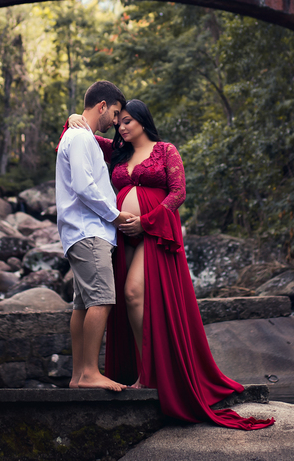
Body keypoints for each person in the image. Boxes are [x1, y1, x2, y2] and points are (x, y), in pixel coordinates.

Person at [66, 100, 273, 430]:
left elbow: (178, 192)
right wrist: (74, 116)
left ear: (144, 121)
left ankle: (150, 373)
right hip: (123, 236)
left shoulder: (165, 151)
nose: (121, 127)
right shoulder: (116, 152)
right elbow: (80, 134)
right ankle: (139, 371)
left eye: (128, 121)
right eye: (119, 122)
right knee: (124, 298)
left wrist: (147, 221)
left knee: (133, 293)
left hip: (154, 231)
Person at [55, 80, 136, 391]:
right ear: (102, 106)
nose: (115, 122)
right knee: (101, 299)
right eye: (115, 114)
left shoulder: (80, 136)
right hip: (89, 232)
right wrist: (115, 216)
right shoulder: (79, 138)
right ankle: (90, 372)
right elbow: (84, 185)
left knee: (82, 304)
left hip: (82, 232)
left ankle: (78, 376)